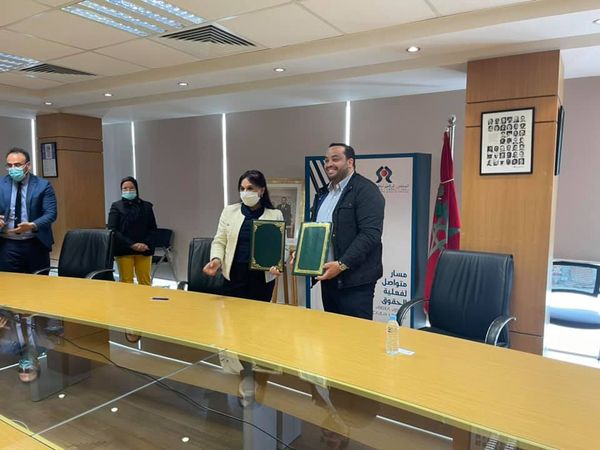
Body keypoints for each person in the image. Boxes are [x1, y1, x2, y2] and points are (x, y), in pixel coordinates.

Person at [0, 147, 57, 382]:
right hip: (8, 246)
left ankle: (36, 337)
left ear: (28, 165)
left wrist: (32, 225)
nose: (13, 169)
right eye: (9, 165)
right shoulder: (1, 184)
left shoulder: (42, 186)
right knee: (10, 296)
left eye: (17, 165)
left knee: (36, 295)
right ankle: (17, 339)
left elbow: (51, 214)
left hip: (35, 245)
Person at [309, 143, 385, 320]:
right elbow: (315, 231)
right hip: (328, 277)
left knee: (357, 334)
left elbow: (370, 235)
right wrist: (302, 253)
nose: (329, 164)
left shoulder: (366, 190)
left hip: (355, 282)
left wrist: (342, 264)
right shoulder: (323, 194)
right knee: (333, 332)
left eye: (335, 159)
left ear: (350, 162)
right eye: (326, 160)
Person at [203, 170, 283, 301]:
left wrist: (277, 265)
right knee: (231, 313)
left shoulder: (275, 215)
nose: (245, 192)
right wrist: (216, 260)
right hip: (234, 276)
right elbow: (220, 241)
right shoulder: (229, 211)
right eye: (242, 188)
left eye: (250, 188)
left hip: (261, 280)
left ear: (262, 190)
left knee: (258, 313)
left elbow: (282, 248)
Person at [108, 176, 157, 285]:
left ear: (136, 189)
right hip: (124, 249)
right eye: (125, 188)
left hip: (144, 249)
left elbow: (153, 228)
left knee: (145, 281)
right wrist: (132, 244)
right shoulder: (116, 206)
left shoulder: (147, 206)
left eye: (131, 188)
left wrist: (144, 244)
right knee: (126, 282)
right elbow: (113, 230)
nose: (128, 190)